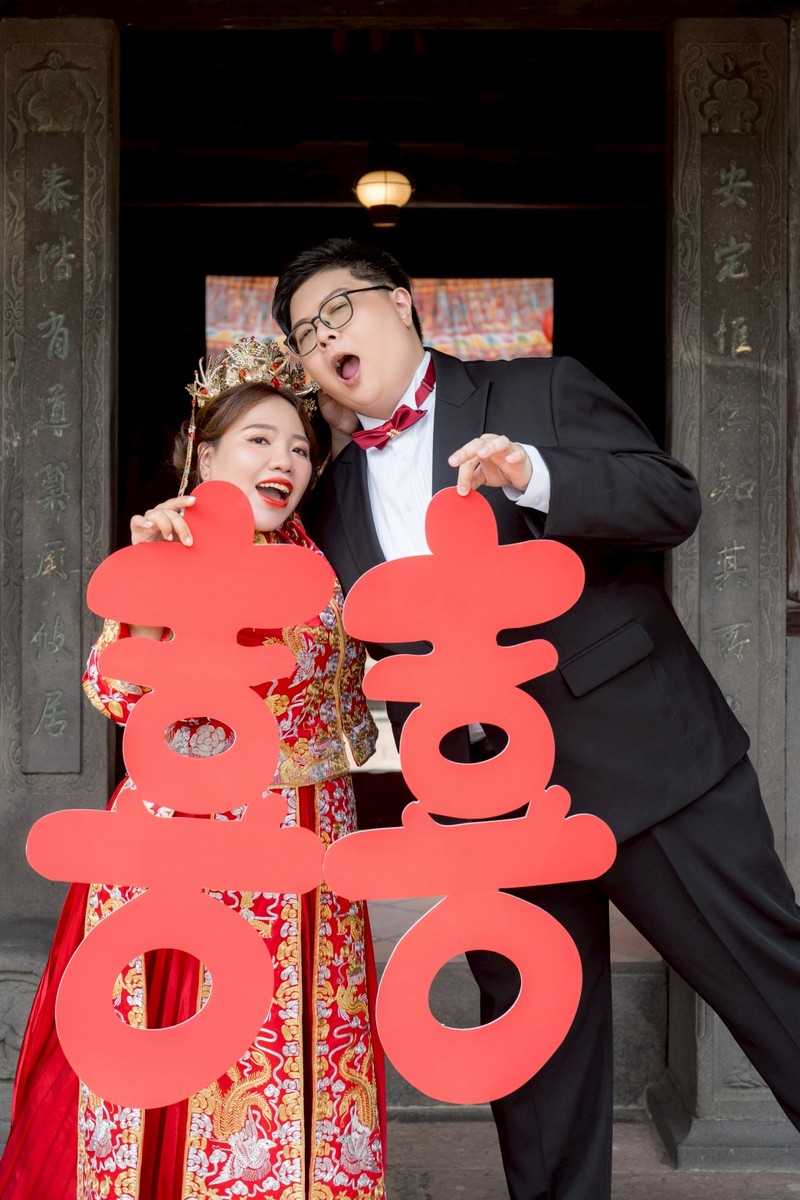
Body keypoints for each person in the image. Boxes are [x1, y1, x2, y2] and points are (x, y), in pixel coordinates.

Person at [272, 237, 800, 1200]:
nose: (323, 337)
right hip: (485, 805)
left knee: (771, 988)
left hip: (642, 761)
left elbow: (672, 501)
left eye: (337, 309)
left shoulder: (538, 389)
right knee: (536, 1052)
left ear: (402, 302)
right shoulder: (337, 493)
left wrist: (534, 474)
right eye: (305, 334)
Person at [0, 338, 386, 1200]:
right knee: (184, 1038)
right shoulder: (167, 551)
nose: (284, 461)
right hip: (193, 838)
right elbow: (114, 692)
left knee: (298, 1038)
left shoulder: (320, 560)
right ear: (203, 454)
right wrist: (145, 586)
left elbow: (345, 716)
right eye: (258, 440)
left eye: (299, 448)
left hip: (311, 847)